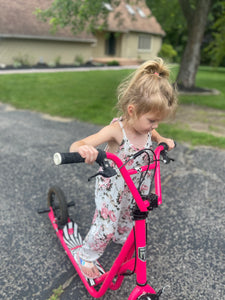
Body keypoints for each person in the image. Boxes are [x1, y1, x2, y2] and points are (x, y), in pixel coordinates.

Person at [70, 57, 178, 279]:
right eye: (152, 121)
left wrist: (162, 138)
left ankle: (120, 237)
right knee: (105, 227)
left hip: (136, 184)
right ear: (132, 110)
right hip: (113, 186)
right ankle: (86, 255)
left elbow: (153, 134)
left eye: (158, 122)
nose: (154, 126)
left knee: (131, 219)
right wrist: (86, 151)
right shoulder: (116, 131)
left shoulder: (147, 128)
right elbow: (78, 145)